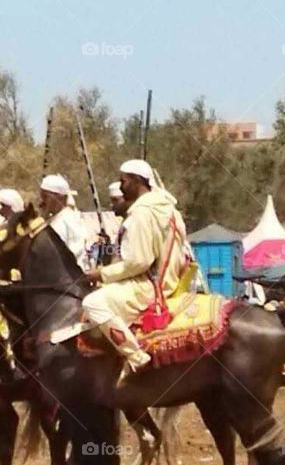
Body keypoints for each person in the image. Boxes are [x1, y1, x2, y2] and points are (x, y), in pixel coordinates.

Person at [82, 159, 188, 382]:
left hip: (148, 285)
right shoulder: (167, 208)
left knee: (92, 303)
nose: (120, 187)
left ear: (138, 181)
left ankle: (136, 356)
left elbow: (138, 262)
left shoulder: (141, 213)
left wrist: (101, 273)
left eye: (124, 181)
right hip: (166, 279)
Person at [39, 174, 90, 271]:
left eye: (45, 197)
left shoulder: (68, 220)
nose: (42, 201)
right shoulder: (54, 219)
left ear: (59, 197)